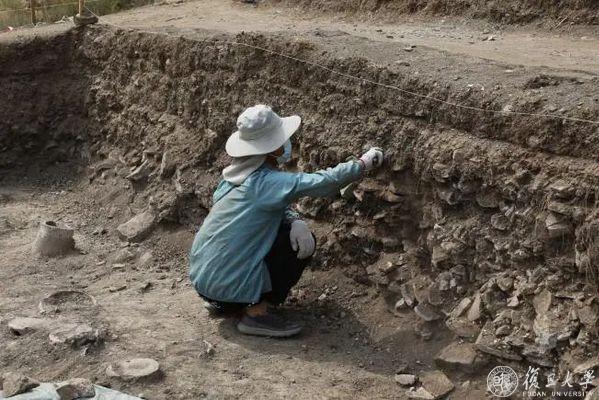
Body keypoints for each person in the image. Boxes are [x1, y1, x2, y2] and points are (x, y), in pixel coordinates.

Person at [189, 105, 384, 337]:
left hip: (205, 283)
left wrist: (293, 219)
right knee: (296, 244)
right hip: (225, 287)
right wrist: (362, 164)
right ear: (273, 148)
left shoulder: (232, 177)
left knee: (284, 229)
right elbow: (323, 182)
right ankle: (256, 313)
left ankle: (229, 302)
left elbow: (266, 207)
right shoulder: (267, 182)